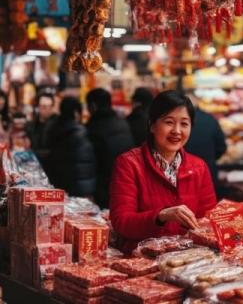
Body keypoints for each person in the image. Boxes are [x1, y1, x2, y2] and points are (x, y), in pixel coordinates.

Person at [110, 90, 217, 253]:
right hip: (143, 261)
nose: (177, 131)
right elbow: (122, 223)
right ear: (152, 125)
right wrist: (161, 215)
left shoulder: (199, 167)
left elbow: (209, 221)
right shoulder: (129, 164)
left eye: (184, 124)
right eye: (169, 122)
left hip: (188, 261)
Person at [86, 88, 134, 208]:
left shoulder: (93, 127)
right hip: (126, 183)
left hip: (105, 188)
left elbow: (91, 163)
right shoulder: (123, 123)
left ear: (92, 106)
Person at [47, 96, 96, 197]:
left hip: (57, 188)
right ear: (76, 113)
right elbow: (85, 166)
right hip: (78, 191)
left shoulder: (53, 130)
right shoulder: (80, 133)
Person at [185, 94, 227, 187]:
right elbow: (221, 147)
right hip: (208, 170)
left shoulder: (177, 122)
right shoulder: (210, 119)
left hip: (184, 173)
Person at [26, 92, 58, 171]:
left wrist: (33, 153)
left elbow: (55, 151)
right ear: (38, 107)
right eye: (44, 106)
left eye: (49, 106)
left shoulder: (58, 125)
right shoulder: (31, 125)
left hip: (53, 168)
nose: (47, 109)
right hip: (34, 168)